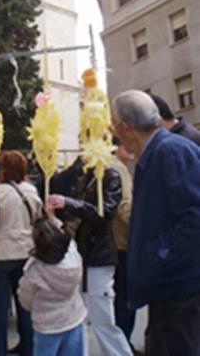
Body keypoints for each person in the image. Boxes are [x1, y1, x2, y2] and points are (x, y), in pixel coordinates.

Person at [112, 90, 200, 356]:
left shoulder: (170, 151)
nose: (114, 134)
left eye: (114, 126)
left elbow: (195, 217)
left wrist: (158, 255)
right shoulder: (158, 153)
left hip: (178, 290)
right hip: (168, 289)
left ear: (125, 128)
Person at [45, 156, 133, 356]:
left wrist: (69, 203)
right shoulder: (83, 175)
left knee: (101, 316)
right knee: (80, 315)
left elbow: (105, 212)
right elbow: (58, 184)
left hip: (98, 253)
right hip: (82, 250)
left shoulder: (110, 175)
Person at [0, 150, 43, 356]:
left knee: (0, 309)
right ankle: (28, 348)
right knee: (25, 306)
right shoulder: (31, 192)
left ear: (3, 169)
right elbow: (38, 222)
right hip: (25, 255)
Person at [17, 216, 86, 356]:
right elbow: (69, 241)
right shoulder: (72, 257)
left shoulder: (33, 272)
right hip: (73, 318)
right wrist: (54, 219)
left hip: (47, 325)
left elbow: (25, 300)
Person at [111, 138, 137, 349]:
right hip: (122, 241)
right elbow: (125, 207)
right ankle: (123, 344)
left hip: (110, 241)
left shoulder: (105, 164)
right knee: (126, 297)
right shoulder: (120, 169)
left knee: (117, 295)